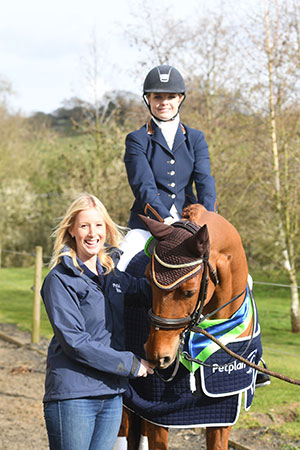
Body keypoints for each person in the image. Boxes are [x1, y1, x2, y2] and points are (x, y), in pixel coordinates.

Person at [41, 193, 154, 450]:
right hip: (74, 396)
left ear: (106, 228)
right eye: (84, 226)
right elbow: (75, 342)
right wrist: (132, 364)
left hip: (112, 394)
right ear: (71, 230)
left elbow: (147, 293)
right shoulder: (60, 280)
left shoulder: (113, 276)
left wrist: (176, 269)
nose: (92, 233)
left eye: (98, 225)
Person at [117, 64, 217, 271]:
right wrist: (168, 221)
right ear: (148, 100)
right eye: (157, 97)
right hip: (147, 225)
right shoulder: (137, 140)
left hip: (191, 221)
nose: (164, 103)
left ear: (180, 99)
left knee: (240, 277)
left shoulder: (196, 138)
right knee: (120, 266)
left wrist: (208, 220)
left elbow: (205, 181)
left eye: (170, 97)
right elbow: (144, 187)